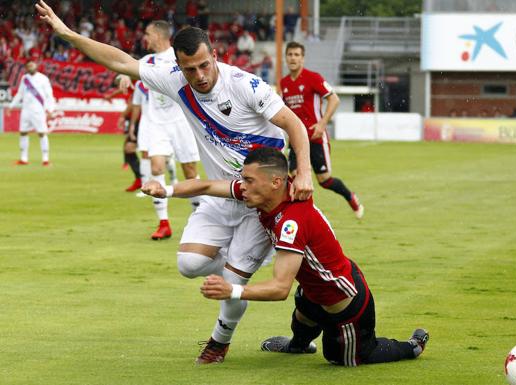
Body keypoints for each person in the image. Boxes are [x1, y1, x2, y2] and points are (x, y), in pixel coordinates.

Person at [36, 0, 313, 364]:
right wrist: (66, 33)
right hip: (218, 194)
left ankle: (219, 341)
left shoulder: (245, 85)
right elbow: (120, 61)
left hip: (259, 200)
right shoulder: (171, 79)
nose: (199, 75)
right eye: (189, 69)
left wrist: (305, 170)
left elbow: (293, 124)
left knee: (230, 285)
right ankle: (245, 265)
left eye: (204, 65)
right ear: (178, 67)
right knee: (189, 264)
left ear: (214, 54)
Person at [141, 147, 429, 367]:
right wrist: (164, 190)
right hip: (312, 292)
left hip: (344, 302)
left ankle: (411, 346)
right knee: (303, 313)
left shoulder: (291, 220)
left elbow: (280, 289)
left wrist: (233, 290)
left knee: (344, 358)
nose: (242, 185)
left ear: (276, 182)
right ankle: (298, 345)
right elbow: (205, 186)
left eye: (249, 180)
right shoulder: (265, 192)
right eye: (243, 178)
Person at [281, 41, 364, 218]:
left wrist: (322, 124)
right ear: (286, 58)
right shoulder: (284, 83)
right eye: (290, 54)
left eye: (297, 55)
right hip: (297, 140)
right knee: (296, 177)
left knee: (324, 181)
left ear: (303, 59)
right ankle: (301, 218)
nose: (293, 58)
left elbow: (334, 99)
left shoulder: (313, 77)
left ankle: (350, 197)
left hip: (316, 138)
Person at [135, 20, 202, 240]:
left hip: (181, 122)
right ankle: (164, 223)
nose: (145, 37)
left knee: (190, 172)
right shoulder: (146, 61)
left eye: (148, 33)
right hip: (157, 124)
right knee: (156, 167)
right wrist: (123, 77)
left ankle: (200, 222)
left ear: (159, 35)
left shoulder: (178, 58)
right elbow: (126, 70)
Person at [8, 59, 55, 166]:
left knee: (42, 133)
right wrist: (11, 106)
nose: (31, 67)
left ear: (36, 66)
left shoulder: (43, 79)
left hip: (38, 111)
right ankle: (23, 159)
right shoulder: (25, 79)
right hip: (26, 110)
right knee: (23, 132)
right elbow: (20, 94)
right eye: (28, 66)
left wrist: (50, 110)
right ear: (26, 68)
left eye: (32, 65)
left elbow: (49, 96)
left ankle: (45, 159)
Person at [104, 80, 142, 191]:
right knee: (129, 148)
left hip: (142, 121)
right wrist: (111, 95)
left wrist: (122, 116)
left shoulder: (139, 79)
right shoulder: (135, 80)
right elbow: (124, 89)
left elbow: (133, 103)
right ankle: (140, 179)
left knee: (133, 149)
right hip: (139, 120)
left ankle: (142, 179)